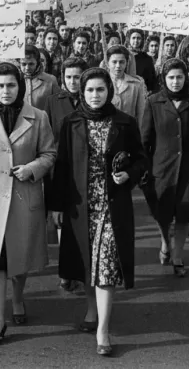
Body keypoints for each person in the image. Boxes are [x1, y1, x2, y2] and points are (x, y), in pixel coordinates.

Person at [49, 68, 148, 357]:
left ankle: (103, 329)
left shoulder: (125, 123)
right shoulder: (70, 123)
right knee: (86, 263)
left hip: (111, 204)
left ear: (109, 92)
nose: (95, 95)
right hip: (80, 205)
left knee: (105, 264)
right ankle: (91, 309)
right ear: (82, 92)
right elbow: (62, 166)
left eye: (100, 90)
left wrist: (128, 174)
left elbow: (141, 160)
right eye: (90, 90)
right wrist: (56, 206)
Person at [0, 62, 57, 344]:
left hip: (23, 196)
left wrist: (32, 168)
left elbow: (50, 154)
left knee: (20, 256)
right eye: (1, 86)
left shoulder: (38, 117)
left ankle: (18, 298)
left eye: (11, 85)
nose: (6, 91)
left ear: (21, 87)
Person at [141, 59, 189, 276]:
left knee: (184, 213)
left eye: (180, 77)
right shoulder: (153, 101)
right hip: (160, 168)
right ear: (164, 79)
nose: (175, 82)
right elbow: (145, 138)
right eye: (171, 77)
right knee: (162, 212)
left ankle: (177, 255)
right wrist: (142, 167)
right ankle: (165, 242)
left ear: (186, 79)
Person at [39, 57, 87, 292]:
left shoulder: (92, 99)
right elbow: (46, 135)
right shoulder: (52, 101)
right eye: (68, 77)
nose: (72, 81)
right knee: (60, 221)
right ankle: (65, 270)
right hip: (59, 168)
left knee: (80, 220)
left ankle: (81, 269)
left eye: (77, 77)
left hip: (85, 169)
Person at [105, 46, 147, 131]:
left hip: (128, 131)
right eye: (114, 62)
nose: (118, 66)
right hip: (106, 131)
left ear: (126, 63)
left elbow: (141, 113)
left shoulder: (136, 84)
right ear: (107, 63)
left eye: (121, 62)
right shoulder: (102, 82)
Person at [126, 28, 158, 92]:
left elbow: (152, 80)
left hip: (142, 92)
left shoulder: (147, 58)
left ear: (142, 40)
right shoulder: (123, 55)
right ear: (129, 39)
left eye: (138, 38)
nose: (136, 40)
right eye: (133, 38)